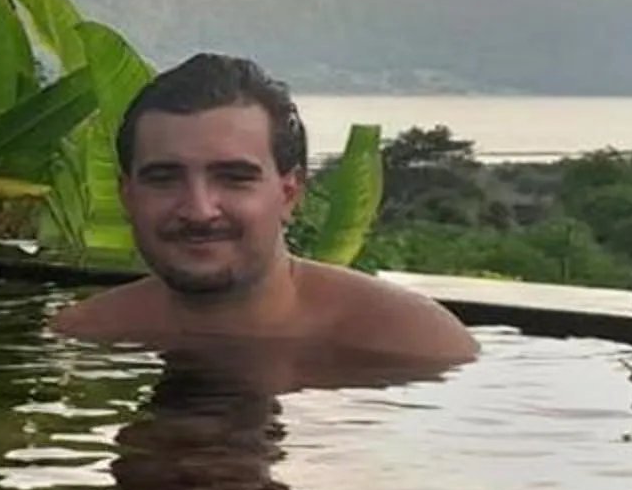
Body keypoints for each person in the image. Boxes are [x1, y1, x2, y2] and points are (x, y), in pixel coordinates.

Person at [49, 52, 476, 367]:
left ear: (289, 193)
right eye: (164, 178)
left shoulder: (413, 342)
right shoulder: (85, 336)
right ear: (127, 196)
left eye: (234, 178)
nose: (198, 210)